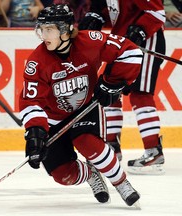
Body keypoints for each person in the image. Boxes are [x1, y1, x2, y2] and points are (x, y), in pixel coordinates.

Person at [19, 4, 143, 206]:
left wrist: (111, 84)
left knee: (88, 143)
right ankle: (91, 174)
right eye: (42, 29)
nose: (43, 35)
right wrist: (35, 133)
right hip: (52, 119)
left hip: (86, 109)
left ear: (65, 29)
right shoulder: (36, 62)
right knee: (62, 174)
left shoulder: (89, 41)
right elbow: (31, 101)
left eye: (49, 29)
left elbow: (130, 52)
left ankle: (120, 182)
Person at [79, 0, 166, 175]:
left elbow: (157, 14)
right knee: (110, 91)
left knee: (140, 94)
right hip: (120, 41)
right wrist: (95, 17)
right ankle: (111, 148)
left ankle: (153, 151)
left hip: (147, 41)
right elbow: (103, 9)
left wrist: (141, 29)